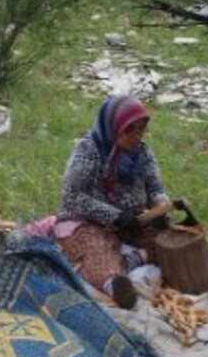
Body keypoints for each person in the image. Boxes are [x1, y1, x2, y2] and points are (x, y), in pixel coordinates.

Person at [55, 95, 171, 309]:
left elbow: (155, 187)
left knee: (170, 241)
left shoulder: (142, 153)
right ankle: (115, 283)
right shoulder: (89, 150)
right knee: (97, 248)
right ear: (113, 127)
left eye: (141, 129)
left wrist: (160, 207)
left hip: (132, 223)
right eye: (129, 130)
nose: (136, 136)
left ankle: (135, 258)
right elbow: (72, 195)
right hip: (88, 223)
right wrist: (114, 216)